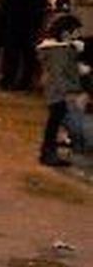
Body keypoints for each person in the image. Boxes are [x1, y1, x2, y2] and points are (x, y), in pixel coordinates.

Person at [37, 14, 88, 167]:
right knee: (55, 122)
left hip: (57, 92)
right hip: (58, 94)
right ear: (65, 33)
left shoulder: (61, 49)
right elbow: (59, 74)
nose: (78, 35)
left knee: (56, 121)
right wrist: (70, 90)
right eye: (75, 31)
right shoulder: (59, 51)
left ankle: (50, 150)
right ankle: (48, 152)